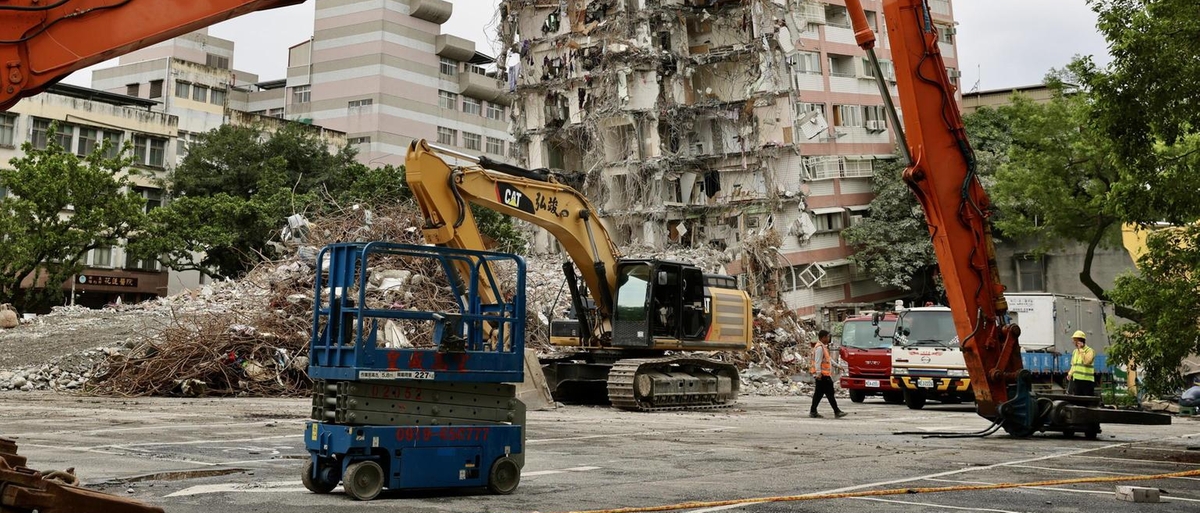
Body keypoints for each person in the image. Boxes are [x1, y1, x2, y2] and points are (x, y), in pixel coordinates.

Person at [810, 330, 847, 418]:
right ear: (823, 338)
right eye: (827, 337)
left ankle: (813, 411)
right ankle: (837, 411)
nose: (828, 338)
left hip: (823, 375)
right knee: (829, 393)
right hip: (822, 375)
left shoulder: (823, 347)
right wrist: (818, 373)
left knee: (818, 394)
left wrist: (838, 366)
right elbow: (817, 362)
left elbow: (829, 359)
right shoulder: (819, 348)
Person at [1066, 330, 1096, 397]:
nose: (1073, 342)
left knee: (1088, 401)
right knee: (1078, 401)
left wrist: (1081, 350)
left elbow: (1086, 362)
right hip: (1077, 381)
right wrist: (1070, 373)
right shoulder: (1075, 352)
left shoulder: (1089, 351)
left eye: (1075, 340)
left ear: (1080, 341)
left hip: (1087, 381)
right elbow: (1074, 365)